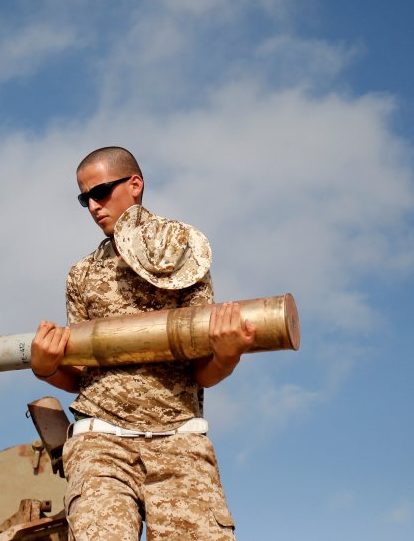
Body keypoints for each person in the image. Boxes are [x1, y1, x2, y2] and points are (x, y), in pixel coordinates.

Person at [30, 147, 255, 541]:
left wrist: (227, 355)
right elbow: (82, 375)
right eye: (85, 199)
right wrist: (47, 369)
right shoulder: (82, 274)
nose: (93, 206)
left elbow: (202, 370)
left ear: (134, 185)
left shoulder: (184, 256)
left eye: (100, 192)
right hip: (100, 443)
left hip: (179, 441)